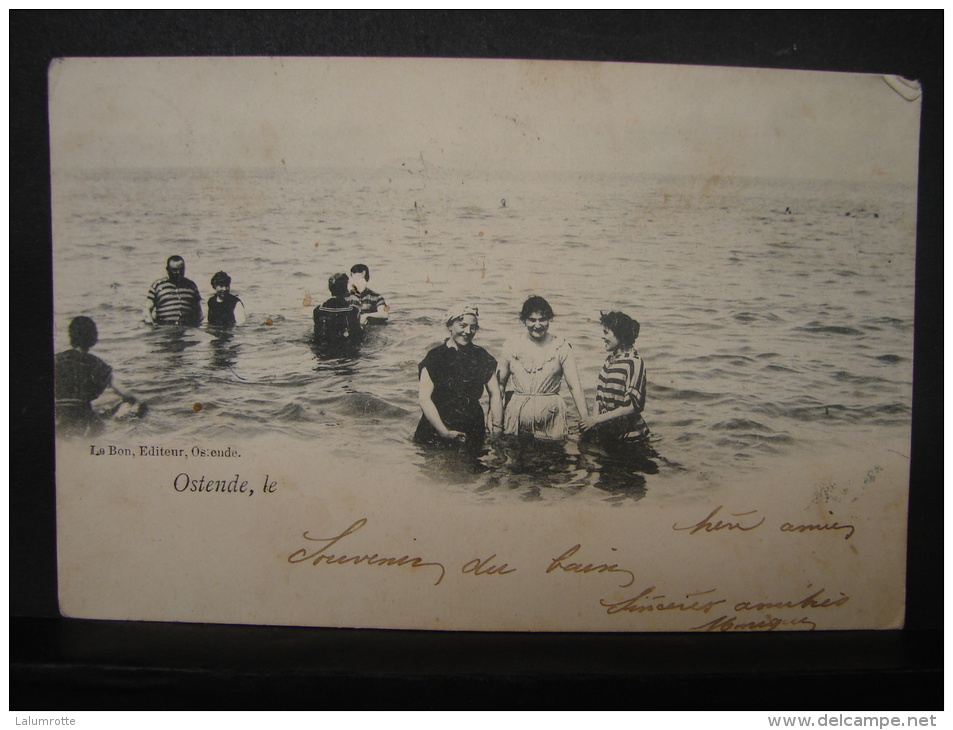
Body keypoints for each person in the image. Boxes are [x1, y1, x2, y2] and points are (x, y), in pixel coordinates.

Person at [497, 296, 589, 441]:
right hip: (516, 419)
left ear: (549, 320)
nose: (537, 325)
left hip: (552, 420)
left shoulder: (561, 346)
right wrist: (495, 423)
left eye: (543, 319)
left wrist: (586, 420)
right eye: (532, 320)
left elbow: (575, 387)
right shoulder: (511, 346)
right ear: (524, 320)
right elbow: (499, 386)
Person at [414, 304, 503, 452]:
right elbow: (424, 399)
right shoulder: (435, 357)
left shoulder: (482, 357)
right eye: (462, 325)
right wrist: (444, 432)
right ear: (450, 325)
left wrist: (497, 428)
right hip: (437, 425)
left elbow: (495, 394)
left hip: (472, 425)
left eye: (473, 327)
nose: (468, 331)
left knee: (473, 470)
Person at [55, 316, 139, 436]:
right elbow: (126, 394)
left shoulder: (57, 359)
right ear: (93, 338)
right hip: (83, 416)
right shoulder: (96, 364)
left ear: (71, 336)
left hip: (58, 415)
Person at [580, 311, 652, 450]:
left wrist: (595, 420)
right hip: (608, 432)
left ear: (620, 335)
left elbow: (632, 406)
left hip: (631, 437)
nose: (603, 336)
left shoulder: (634, 362)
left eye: (606, 333)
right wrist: (593, 425)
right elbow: (599, 397)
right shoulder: (609, 361)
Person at [146, 255, 202, 326]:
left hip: (187, 330)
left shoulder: (191, 285)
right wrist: (151, 325)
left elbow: (199, 312)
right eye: (174, 270)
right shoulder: (157, 285)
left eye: (181, 270)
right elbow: (147, 309)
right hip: (165, 329)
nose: (178, 273)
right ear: (167, 269)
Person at [313, 273, 362, 346]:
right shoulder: (352, 310)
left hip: (324, 346)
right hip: (346, 346)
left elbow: (316, 334)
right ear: (346, 288)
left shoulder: (318, 309)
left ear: (329, 288)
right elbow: (356, 333)